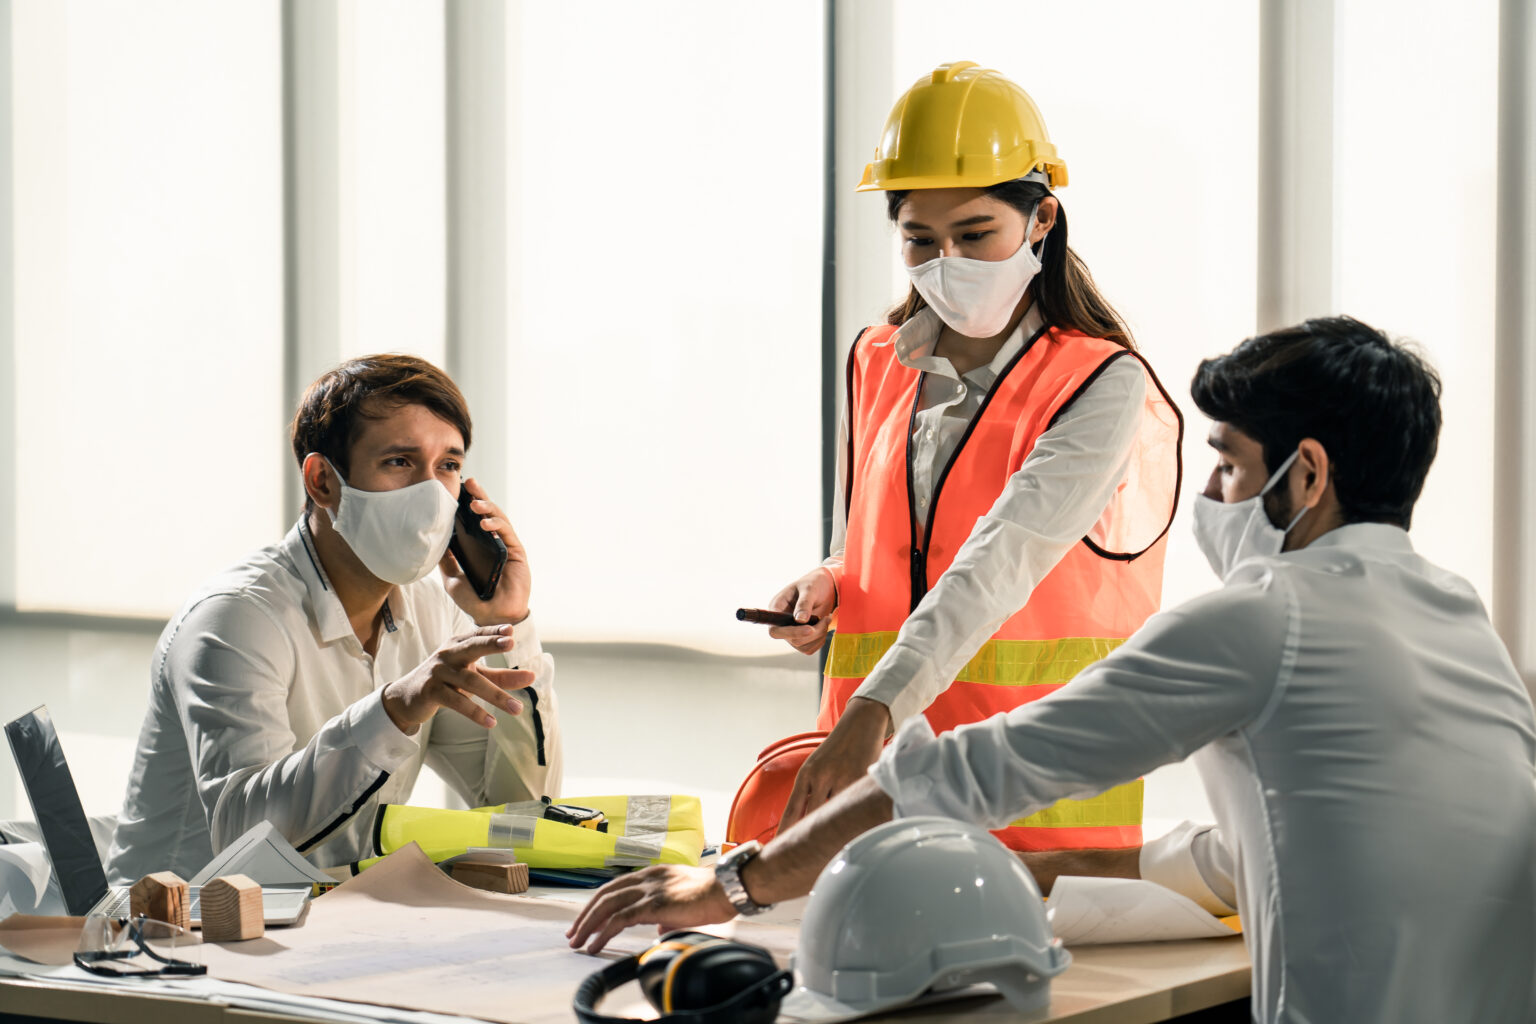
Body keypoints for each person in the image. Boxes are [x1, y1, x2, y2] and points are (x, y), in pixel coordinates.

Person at [570, 317, 1536, 1024]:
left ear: (1308, 476)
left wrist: (733, 888)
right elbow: (1252, 852)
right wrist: (1022, 874)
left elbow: (973, 768)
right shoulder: (1458, 618)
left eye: (1231, 467)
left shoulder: (1266, 614)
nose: (1209, 495)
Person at [766, 60, 1181, 851]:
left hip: (1029, 803)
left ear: (1042, 220)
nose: (945, 260)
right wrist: (829, 580)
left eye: (975, 234)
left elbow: (1002, 558)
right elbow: (884, 542)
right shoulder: (877, 360)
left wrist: (870, 712)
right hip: (872, 790)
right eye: (919, 238)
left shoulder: (1098, 381)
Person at [107, 355, 560, 881]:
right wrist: (392, 709)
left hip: (331, 933)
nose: (433, 496)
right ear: (323, 481)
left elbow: (524, 812)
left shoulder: (434, 609)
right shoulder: (235, 618)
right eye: (399, 462)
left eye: (448, 466)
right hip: (177, 939)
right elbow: (242, 837)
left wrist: (511, 627)